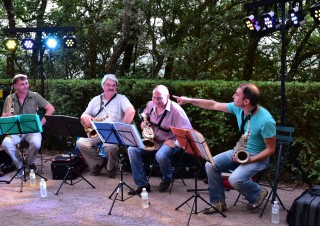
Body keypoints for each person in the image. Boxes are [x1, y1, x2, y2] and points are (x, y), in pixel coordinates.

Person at [173, 83, 276, 213]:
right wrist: (189, 100)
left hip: (257, 157)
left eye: (237, 94)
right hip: (240, 151)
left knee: (235, 179)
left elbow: (271, 150)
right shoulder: (238, 108)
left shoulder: (266, 121)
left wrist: (251, 160)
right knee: (210, 164)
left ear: (246, 101)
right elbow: (212, 104)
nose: (233, 96)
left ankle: (257, 193)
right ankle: (218, 203)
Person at [128, 85, 192, 195]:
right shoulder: (150, 104)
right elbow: (145, 114)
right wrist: (144, 124)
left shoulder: (176, 110)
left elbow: (188, 131)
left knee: (160, 156)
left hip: (170, 141)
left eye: (159, 98)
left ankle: (167, 178)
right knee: (132, 150)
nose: (156, 101)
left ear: (167, 97)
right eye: (154, 97)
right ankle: (142, 184)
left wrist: (175, 142)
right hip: (154, 140)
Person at [76, 74, 135, 178]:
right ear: (103, 86)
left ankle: (111, 168)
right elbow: (84, 114)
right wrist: (85, 117)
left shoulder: (121, 99)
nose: (111, 87)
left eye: (114, 85)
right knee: (81, 143)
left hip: (113, 132)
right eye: (108, 85)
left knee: (110, 147)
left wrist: (121, 128)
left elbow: (131, 111)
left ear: (116, 87)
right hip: (97, 132)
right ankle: (99, 162)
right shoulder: (95, 100)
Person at [1, 74, 55, 176]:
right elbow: (3, 116)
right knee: (6, 144)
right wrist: (6, 116)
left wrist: (40, 124)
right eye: (22, 84)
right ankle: (20, 164)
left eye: (26, 83)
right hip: (16, 130)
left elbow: (51, 109)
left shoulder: (35, 96)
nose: (26, 86)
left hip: (32, 129)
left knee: (36, 143)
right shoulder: (9, 98)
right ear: (15, 86)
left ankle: (30, 163)